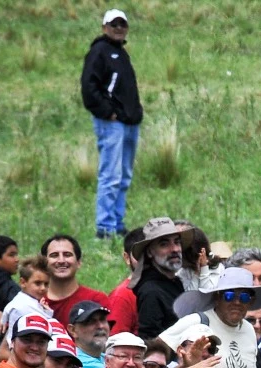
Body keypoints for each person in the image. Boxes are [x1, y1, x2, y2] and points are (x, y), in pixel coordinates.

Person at [80, 9, 142, 240]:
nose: (118, 28)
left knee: (124, 175)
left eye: (122, 24)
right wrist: (108, 113)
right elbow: (89, 88)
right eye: (113, 24)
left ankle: (116, 222)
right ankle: (104, 227)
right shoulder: (99, 52)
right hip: (112, 124)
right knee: (111, 175)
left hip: (129, 123)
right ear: (104, 26)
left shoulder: (120, 53)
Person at [131, 217, 191, 340]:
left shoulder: (175, 282)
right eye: (164, 244)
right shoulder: (151, 291)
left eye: (177, 242)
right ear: (149, 252)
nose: (174, 249)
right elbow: (150, 339)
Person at [41, 234, 111, 327]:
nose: (61, 260)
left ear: (78, 262)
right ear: (43, 263)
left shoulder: (96, 300)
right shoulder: (35, 302)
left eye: (67, 255)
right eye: (54, 255)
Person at [66, 300, 112, 368]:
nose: (100, 326)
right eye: (90, 321)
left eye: (102, 319)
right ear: (73, 330)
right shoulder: (77, 361)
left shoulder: (104, 357)